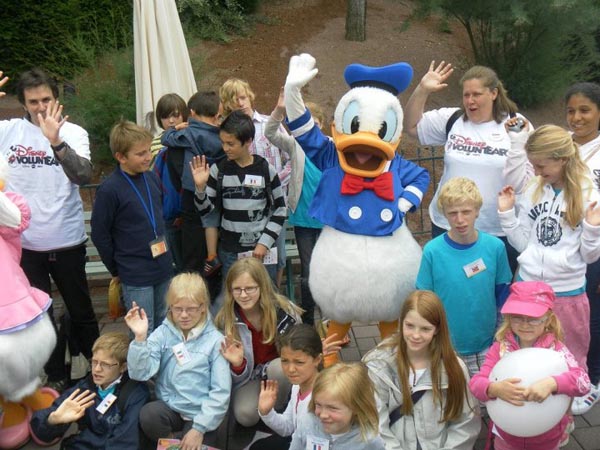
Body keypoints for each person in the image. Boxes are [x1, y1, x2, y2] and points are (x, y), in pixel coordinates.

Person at [0, 68, 99, 391]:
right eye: (33, 101)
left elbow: (83, 176)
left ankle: (97, 369)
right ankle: (55, 372)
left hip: (67, 241)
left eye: (46, 99)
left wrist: (56, 141)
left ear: (56, 99)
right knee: (39, 316)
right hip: (24, 246)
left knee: (81, 311)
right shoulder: (9, 131)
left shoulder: (74, 132)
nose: (41, 107)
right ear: (23, 103)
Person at [504, 83, 600, 414]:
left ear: (561, 160)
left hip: (567, 291)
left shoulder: (587, 194)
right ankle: (529, 406)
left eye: (542, 166)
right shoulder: (535, 188)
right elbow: (522, 243)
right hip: (529, 289)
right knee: (526, 350)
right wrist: (506, 216)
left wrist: (591, 228)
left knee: (570, 354)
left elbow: (589, 257)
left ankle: (564, 410)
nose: (536, 172)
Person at [404, 61, 529, 274]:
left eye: (476, 94)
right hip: (449, 223)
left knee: (495, 291)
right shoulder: (453, 119)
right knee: (449, 283)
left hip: (498, 228)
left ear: (494, 93)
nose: (470, 101)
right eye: (466, 95)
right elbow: (411, 127)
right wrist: (422, 89)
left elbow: (528, 179)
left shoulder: (517, 125)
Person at [470, 281, 591, 449]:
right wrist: (493, 389)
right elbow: (475, 383)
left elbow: (583, 382)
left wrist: (553, 383)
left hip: (546, 437)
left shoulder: (556, 350)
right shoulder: (500, 348)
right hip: (506, 437)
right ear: (508, 317)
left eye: (533, 319)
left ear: (547, 319)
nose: (525, 325)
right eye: (517, 318)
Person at [416, 177, 512, 376]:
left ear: (477, 210)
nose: (460, 220)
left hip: (486, 346)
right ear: (445, 215)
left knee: (486, 402)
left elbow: (503, 297)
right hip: (445, 347)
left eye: (466, 212)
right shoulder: (432, 251)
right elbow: (424, 301)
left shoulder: (495, 248)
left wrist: (500, 338)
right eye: (453, 213)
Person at [125, 272, 231, 450]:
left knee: (200, 440)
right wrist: (140, 338)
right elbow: (140, 373)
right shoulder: (163, 332)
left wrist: (199, 428)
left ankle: (191, 437)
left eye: (190, 309)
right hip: (170, 407)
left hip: (199, 413)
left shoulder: (216, 341)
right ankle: (173, 441)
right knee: (149, 414)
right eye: (177, 309)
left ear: (203, 307)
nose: (183, 315)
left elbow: (220, 392)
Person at [363, 290, 480, 450]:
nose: (416, 335)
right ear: (401, 322)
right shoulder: (379, 365)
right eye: (410, 326)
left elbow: (466, 421)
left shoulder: (454, 368)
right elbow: (375, 422)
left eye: (425, 329)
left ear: (437, 329)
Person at [91, 120, 173, 333]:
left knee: (165, 324)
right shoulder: (109, 190)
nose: (148, 157)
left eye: (148, 151)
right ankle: (142, 367)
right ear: (121, 157)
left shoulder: (151, 178)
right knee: (142, 329)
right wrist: (117, 269)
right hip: (136, 273)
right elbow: (100, 235)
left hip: (162, 267)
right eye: (140, 154)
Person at [190, 110, 287, 285]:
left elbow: (280, 209)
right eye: (223, 142)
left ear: (248, 141)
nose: (225, 148)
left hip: (262, 252)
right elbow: (205, 210)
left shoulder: (266, 170)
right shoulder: (218, 170)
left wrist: (264, 243)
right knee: (234, 300)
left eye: (230, 143)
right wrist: (200, 188)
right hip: (231, 253)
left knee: (266, 301)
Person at [214, 257, 301, 427]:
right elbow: (225, 376)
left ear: (262, 286)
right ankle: (263, 414)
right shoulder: (225, 320)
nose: (244, 295)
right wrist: (238, 365)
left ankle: (279, 410)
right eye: (237, 289)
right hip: (250, 378)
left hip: (278, 373)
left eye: (250, 288)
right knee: (245, 415)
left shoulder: (285, 311)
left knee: (280, 367)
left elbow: (301, 351)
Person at [220, 78, 291, 287]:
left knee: (276, 258)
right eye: (234, 100)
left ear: (250, 96)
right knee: (245, 265)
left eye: (243, 97)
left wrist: (274, 183)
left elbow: (293, 157)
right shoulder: (227, 133)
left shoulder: (270, 124)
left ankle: (274, 299)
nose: (240, 103)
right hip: (243, 211)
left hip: (274, 205)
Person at [264, 88, 325, 324]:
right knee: (309, 272)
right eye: (308, 125)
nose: (313, 130)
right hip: (303, 219)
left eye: (316, 124)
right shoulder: (295, 146)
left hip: (328, 219)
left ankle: (332, 320)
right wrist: (279, 110)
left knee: (329, 271)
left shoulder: (333, 147)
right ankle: (309, 321)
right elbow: (269, 132)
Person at [30, 332, 150, 449]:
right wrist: (52, 420)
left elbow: (126, 442)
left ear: (123, 367)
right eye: (94, 362)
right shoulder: (84, 388)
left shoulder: (136, 393)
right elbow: (41, 432)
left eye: (105, 364)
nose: (97, 369)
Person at [161, 91, 225, 277]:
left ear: (192, 112)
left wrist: (174, 129)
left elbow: (166, 138)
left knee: (193, 261)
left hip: (191, 200)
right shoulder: (223, 137)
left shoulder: (186, 135)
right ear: (215, 114)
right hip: (219, 200)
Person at [252, 324, 342, 450]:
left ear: (317, 359)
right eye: (284, 361)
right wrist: (266, 412)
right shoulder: (298, 386)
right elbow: (289, 427)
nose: (290, 369)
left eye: (299, 362)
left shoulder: (321, 404)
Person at [289, 362, 385, 450]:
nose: (323, 415)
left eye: (332, 408)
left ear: (356, 407)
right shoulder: (307, 423)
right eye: (318, 405)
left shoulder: (369, 441)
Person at [151, 93, 189, 273]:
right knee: (171, 261)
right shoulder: (156, 143)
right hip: (166, 213)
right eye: (166, 116)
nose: (171, 121)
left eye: (176, 115)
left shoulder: (191, 137)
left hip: (189, 211)